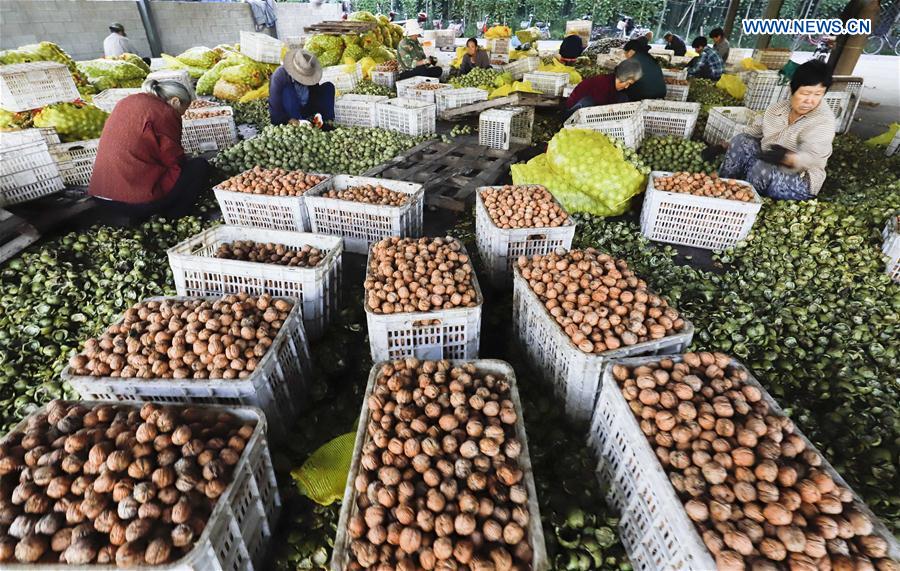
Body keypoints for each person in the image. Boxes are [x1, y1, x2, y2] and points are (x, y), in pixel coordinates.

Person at [89, 79, 210, 223]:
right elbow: (173, 159)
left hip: (100, 194)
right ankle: (176, 217)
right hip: (135, 201)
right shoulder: (165, 112)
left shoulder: (127, 101)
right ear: (175, 102)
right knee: (199, 166)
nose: (182, 115)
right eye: (184, 109)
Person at [714, 60, 836, 200]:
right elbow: (753, 131)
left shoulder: (823, 120)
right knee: (741, 140)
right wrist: (723, 145)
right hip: (766, 165)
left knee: (763, 166)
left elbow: (813, 156)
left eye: (817, 94)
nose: (810, 101)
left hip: (799, 181)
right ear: (792, 89)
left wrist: (789, 158)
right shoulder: (777, 109)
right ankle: (722, 187)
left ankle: (747, 202)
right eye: (805, 93)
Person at [269, 49, 335, 127]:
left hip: (306, 109)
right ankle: (298, 121)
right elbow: (275, 111)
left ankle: (326, 122)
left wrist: (318, 114)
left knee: (328, 86)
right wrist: (293, 121)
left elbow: (315, 94)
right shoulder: (279, 76)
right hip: (291, 113)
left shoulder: (311, 73)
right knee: (288, 91)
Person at [564, 59, 643, 115]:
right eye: (627, 83)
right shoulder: (602, 85)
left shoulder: (613, 81)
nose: (626, 87)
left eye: (630, 84)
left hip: (593, 105)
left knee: (623, 97)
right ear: (622, 78)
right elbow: (600, 108)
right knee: (588, 101)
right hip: (573, 112)